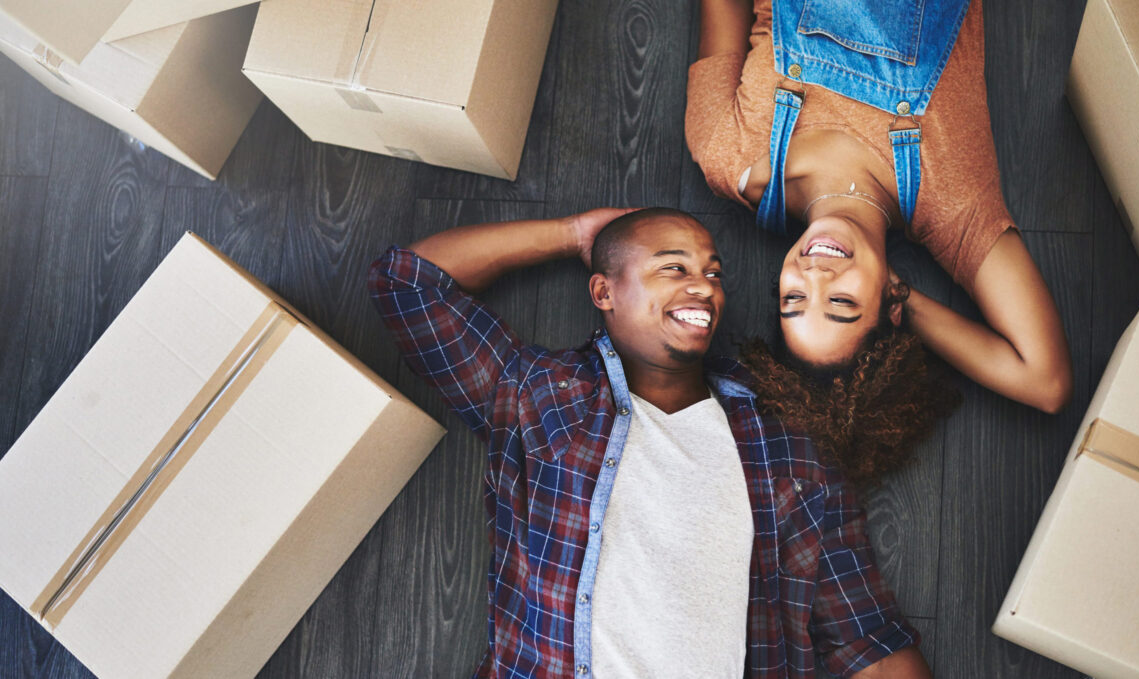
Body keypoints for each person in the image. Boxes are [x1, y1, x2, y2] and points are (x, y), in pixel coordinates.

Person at [369, 207, 930, 677]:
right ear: (604, 291)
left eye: (713, 273)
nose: (703, 287)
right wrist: (573, 234)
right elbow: (407, 283)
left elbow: (867, 639)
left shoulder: (787, 441)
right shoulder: (539, 395)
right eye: (673, 267)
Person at [686, 0, 1074, 430]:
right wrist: (902, 297)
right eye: (841, 302)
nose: (815, 276)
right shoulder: (951, 203)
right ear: (890, 306)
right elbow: (1046, 382)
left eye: (793, 298)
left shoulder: (725, 152)